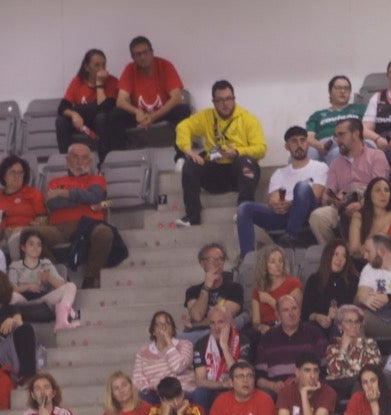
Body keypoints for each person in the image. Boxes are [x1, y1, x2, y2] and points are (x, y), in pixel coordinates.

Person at [173, 80, 264, 229]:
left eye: (228, 99)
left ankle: (243, 212)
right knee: (190, 165)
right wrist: (187, 149)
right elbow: (183, 127)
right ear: (213, 102)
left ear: (234, 99)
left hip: (238, 174)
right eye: (220, 100)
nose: (225, 104)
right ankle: (192, 217)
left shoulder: (248, 119)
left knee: (246, 162)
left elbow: (261, 148)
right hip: (214, 175)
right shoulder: (207, 116)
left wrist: (237, 152)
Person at [238, 126, 330, 257]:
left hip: (308, 213)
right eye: (294, 141)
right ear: (287, 146)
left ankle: (290, 237)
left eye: (302, 140)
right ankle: (247, 258)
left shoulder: (320, 167)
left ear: (307, 144)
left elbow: (316, 195)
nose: (299, 145)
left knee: (302, 187)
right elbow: (273, 198)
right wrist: (277, 204)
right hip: (284, 215)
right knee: (244, 208)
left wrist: (292, 204)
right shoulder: (279, 173)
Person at [45, 144, 119, 290]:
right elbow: (53, 204)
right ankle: (59, 278)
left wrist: (65, 193)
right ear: (67, 160)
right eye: (75, 157)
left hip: (89, 226)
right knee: (30, 235)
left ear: (90, 162)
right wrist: (84, 200)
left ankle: (90, 278)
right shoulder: (55, 182)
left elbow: (95, 197)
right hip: (59, 228)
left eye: (84, 158)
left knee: (105, 232)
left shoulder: (97, 180)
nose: (79, 161)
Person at [308, 117, 391, 246]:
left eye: (341, 135)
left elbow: (380, 189)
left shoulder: (376, 156)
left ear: (356, 134)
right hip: (342, 205)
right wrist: (335, 199)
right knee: (317, 217)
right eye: (336, 136)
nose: (338, 140)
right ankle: (336, 252)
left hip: (369, 204)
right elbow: (327, 196)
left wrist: (361, 204)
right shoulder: (336, 163)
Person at [107, 36, 190, 151]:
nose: (143, 57)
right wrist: (137, 112)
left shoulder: (165, 66)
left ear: (152, 52)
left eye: (145, 53)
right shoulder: (130, 69)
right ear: (133, 57)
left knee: (182, 110)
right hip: (140, 116)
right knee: (115, 115)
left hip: (161, 113)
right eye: (138, 54)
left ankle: (181, 155)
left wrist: (153, 117)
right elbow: (120, 101)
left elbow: (176, 98)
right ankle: (122, 156)